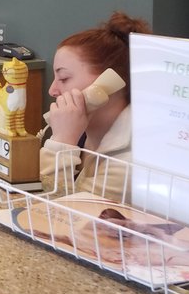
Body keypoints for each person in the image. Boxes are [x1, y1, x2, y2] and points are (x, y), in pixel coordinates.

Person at [40, 11, 151, 199]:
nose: (52, 90)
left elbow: (57, 212)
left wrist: (61, 142)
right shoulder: (82, 133)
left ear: (110, 81)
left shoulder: (131, 162)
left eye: (64, 78)